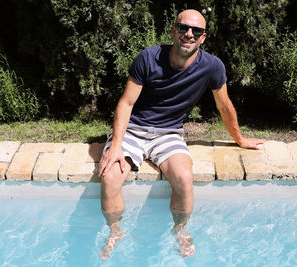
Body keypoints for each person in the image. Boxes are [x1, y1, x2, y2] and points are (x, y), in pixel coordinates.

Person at [98, 9, 265, 260]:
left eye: (196, 31)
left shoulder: (211, 66)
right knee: (110, 177)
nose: (189, 34)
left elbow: (224, 106)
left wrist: (239, 139)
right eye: (184, 28)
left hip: (168, 133)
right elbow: (126, 103)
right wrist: (116, 145)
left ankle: (180, 229)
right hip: (134, 129)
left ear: (203, 37)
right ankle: (115, 231)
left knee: (185, 179)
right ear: (173, 31)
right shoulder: (149, 57)